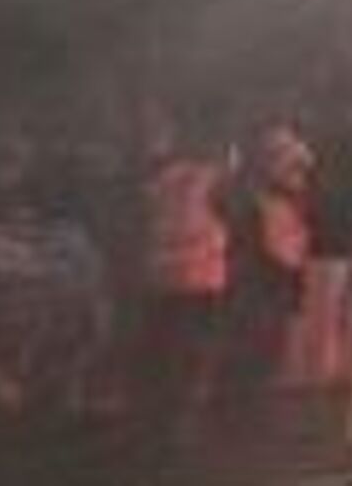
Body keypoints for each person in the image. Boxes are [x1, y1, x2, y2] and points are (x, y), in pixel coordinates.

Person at [131, 107, 233, 452]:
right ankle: (176, 430)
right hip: (200, 281)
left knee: (162, 356)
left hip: (160, 279)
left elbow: (144, 218)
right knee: (189, 358)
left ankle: (155, 427)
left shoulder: (160, 180)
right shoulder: (212, 178)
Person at [217, 120, 319, 435]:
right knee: (255, 351)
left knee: (268, 351)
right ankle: (245, 418)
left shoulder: (284, 199)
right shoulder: (255, 198)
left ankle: (251, 415)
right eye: (285, 160)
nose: (298, 172)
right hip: (257, 284)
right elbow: (274, 248)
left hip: (274, 283)